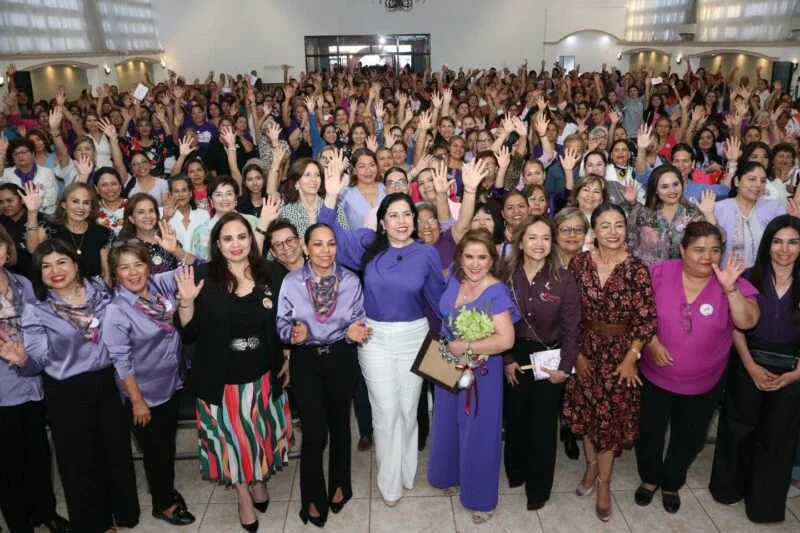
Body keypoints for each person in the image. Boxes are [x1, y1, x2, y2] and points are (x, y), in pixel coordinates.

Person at [318, 155, 446, 506]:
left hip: (414, 337)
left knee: (408, 410)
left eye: (408, 215)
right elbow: (327, 238)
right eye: (394, 215)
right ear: (382, 221)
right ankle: (389, 483)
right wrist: (330, 199)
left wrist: (459, 335)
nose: (402, 221)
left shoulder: (426, 254)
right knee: (385, 412)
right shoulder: (365, 245)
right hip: (374, 338)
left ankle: (406, 471)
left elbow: (439, 302)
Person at [0, 239, 140, 533]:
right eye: (46, 266)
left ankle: (121, 513)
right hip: (67, 394)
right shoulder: (37, 311)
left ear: (75, 265)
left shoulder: (101, 294)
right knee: (80, 464)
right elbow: (37, 361)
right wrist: (21, 360)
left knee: (115, 454)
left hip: (106, 385)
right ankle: (97, 524)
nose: (54, 270)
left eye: (61, 262)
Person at [174, 213, 292, 532]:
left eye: (241, 237)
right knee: (231, 444)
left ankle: (257, 479)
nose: (235, 244)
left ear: (251, 239)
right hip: (219, 380)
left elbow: (287, 320)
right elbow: (188, 331)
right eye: (227, 239)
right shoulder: (202, 276)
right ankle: (243, 496)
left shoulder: (270, 273)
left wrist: (289, 357)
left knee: (258, 437)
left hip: (263, 376)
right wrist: (185, 303)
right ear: (217, 243)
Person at [636, 222, 759, 513]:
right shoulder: (659, 272)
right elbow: (637, 312)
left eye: (715, 250)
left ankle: (671, 483)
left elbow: (747, 321)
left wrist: (730, 289)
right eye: (699, 250)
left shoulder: (731, 280)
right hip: (654, 377)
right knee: (649, 432)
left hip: (704, 383)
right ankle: (650, 479)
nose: (707, 257)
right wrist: (651, 342)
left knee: (689, 437)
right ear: (682, 250)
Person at [562, 203, 657, 522]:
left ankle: (604, 484)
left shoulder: (636, 268)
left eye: (618, 225)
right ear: (594, 231)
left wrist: (632, 357)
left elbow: (646, 319)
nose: (613, 232)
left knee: (609, 422)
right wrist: (574, 353)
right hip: (584, 349)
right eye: (605, 225)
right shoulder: (579, 263)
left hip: (621, 356)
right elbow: (569, 313)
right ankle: (589, 470)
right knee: (588, 415)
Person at [276, 223, 372, 527]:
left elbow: (358, 319)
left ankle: (340, 484)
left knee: (341, 425)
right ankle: (313, 499)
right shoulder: (291, 282)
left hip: (341, 358)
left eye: (331, 244)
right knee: (315, 433)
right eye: (317, 244)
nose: (325, 251)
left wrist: (355, 332)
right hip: (306, 361)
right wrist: (293, 333)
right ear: (306, 248)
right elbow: (279, 324)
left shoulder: (351, 280)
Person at [710, 215, 800, 523]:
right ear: (767, 244)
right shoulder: (750, 275)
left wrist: (797, 373)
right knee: (738, 428)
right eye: (777, 241)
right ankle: (727, 489)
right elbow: (736, 326)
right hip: (748, 360)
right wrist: (750, 365)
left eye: (793, 242)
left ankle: (763, 505)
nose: (784, 250)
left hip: (793, 368)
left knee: (777, 438)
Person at [427, 229, 518, 524]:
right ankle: (448, 475)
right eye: (469, 256)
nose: (475, 264)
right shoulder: (454, 277)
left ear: (492, 259)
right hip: (446, 361)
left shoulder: (497, 292)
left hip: (481, 372)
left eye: (482, 257)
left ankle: (481, 497)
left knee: (479, 431)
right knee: (446, 421)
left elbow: (506, 340)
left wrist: (467, 346)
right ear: (460, 258)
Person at [103, 241, 195, 526]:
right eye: (124, 268)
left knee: (166, 445)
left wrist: (178, 252)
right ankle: (163, 504)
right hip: (144, 394)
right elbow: (121, 361)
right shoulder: (117, 310)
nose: (133, 273)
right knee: (155, 452)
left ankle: (165, 490)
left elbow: (197, 269)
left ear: (148, 265)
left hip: (172, 382)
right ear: (115, 274)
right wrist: (137, 401)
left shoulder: (158, 285)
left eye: (138, 265)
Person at [502, 216, 581, 511]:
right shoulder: (506, 275)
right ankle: (516, 471)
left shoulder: (564, 279)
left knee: (544, 425)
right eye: (532, 237)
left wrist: (564, 367)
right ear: (520, 241)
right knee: (517, 416)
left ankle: (538, 488)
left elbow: (572, 329)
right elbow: (496, 321)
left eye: (545, 238)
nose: (539, 244)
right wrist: (506, 359)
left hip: (551, 357)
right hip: (514, 352)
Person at [0, 226, 71, 533]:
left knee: (39, 455)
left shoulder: (24, 284)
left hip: (33, 383)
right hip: (2, 390)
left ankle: (46, 512)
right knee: (8, 462)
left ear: (6, 248)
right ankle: (19, 523)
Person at [625, 165, 717, 265]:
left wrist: (709, 215)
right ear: (655, 190)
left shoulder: (694, 215)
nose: (672, 190)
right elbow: (628, 247)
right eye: (665, 187)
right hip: (646, 276)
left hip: (682, 277)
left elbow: (714, 245)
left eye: (676, 184)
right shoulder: (641, 214)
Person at [23, 182, 114, 280]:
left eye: (86, 203)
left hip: (95, 292)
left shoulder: (100, 233)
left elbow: (107, 274)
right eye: (75, 201)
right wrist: (32, 212)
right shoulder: (50, 228)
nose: (81, 207)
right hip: (57, 290)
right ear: (64, 205)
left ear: (91, 207)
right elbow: (32, 249)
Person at [714, 162, 786, 268]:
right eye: (752, 179)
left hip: (764, 274)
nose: (758, 185)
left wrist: (794, 220)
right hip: (727, 276)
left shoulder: (773, 207)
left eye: (763, 181)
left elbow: (784, 238)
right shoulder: (718, 209)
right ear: (737, 181)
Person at [118, 193, 195, 274]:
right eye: (141, 212)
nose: (148, 216)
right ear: (131, 219)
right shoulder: (127, 246)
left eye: (151, 211)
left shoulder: (167, 238)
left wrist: (176, 251)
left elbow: (190, 266)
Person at [189, 176, 259, 261]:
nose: (224, 199)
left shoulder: (253, 222)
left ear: (236, 198)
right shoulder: (200, 232)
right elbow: (197, 265)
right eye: (219, 195)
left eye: (229, 194)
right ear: (210, 200)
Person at [279, 156, 349, 238]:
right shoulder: (286, 213)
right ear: (296, 182)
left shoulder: (333, 207)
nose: (313, 179)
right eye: (307, 175)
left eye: (317, 175)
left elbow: (346, 239)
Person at [0, 136, 58, 215]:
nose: (20, 156)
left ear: (33, 154)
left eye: (24, 152)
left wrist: (30, 202)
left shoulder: (47, 173)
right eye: (16, 154)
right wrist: (2, 153)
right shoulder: (7, 173)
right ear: (12, 157)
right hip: (16, 217)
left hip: (44, 215)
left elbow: (52, 199)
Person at [160, 174, 210, 250]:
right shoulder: (161, 212)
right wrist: (165, 218)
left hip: (199, 260)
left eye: (184, 190)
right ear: (170, 194)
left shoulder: (203, 215)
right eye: (176, 191)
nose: (181, 195)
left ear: (190, 193)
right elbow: (154, 236)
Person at [0, 183, 34, 278]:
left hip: (35, 276)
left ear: (22, 199)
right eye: (1, 202)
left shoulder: (38, 219)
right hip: (7, 277)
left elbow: (34, 250)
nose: (5, 205)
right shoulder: (1, 222)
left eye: (10, 200)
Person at [94, 167, 127, 234]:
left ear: (120, 185)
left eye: (114, 184)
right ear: (96, 188)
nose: (110, 188)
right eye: (104, 185)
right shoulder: (93, 209)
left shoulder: (133, 205)